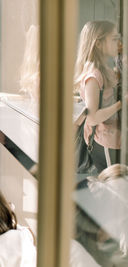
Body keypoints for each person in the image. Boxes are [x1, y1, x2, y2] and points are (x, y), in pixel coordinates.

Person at [73, 21, 123, 173]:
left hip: (114, 138)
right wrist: (121, 104)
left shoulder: (104, 69)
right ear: (99, 44)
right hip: (105, 142)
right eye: (114, 39)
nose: (118, 43)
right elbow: (92, 117)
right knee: (114, 186)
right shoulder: (94, 75)